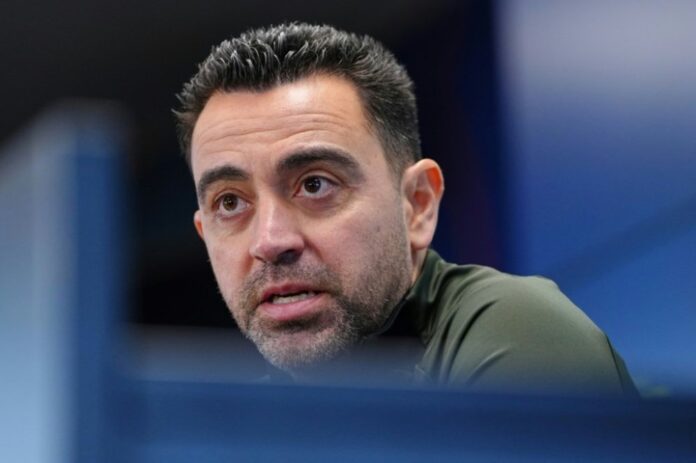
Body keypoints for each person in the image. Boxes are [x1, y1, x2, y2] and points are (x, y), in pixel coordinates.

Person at [174, 22, 637, 395]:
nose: (270, 241)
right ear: (205, 234)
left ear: (417, 205)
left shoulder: (520, 329)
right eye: (230, 203)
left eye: (315, 185)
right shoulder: (242, 420)